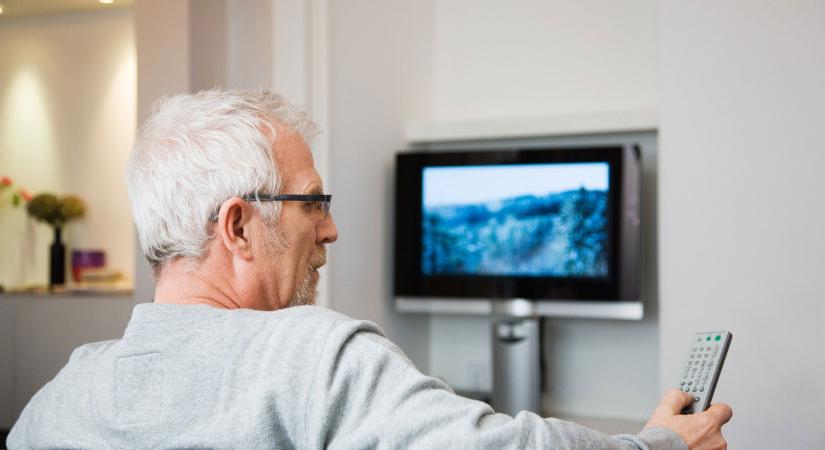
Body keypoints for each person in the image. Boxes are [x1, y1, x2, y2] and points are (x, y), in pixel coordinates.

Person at [8, 89, 731, 449]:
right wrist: (659, 443)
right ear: (237, 226)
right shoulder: (310, 357)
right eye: (310, 203)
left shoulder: (58, 400)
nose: (330, 229)